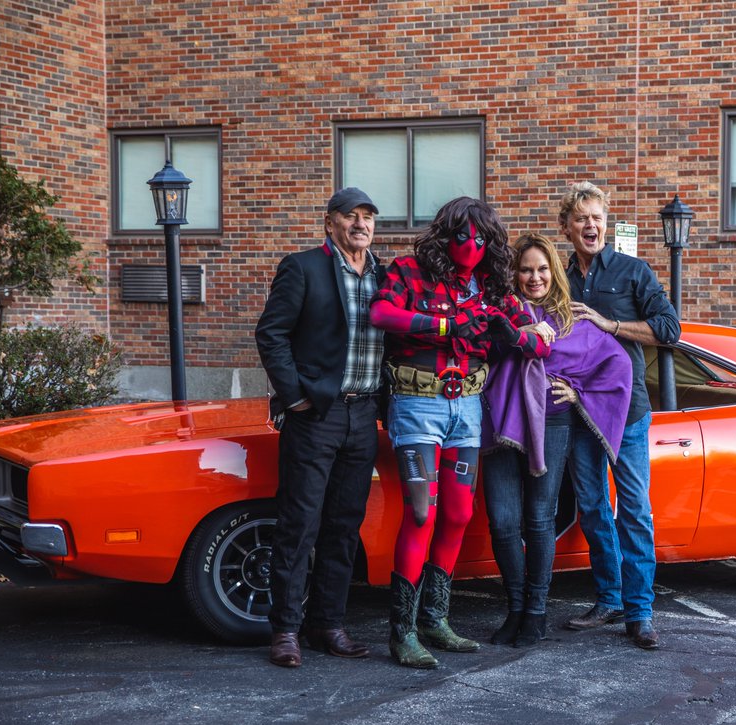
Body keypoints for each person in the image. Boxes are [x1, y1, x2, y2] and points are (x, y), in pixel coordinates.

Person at [370, 196, 550, 669]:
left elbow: (536, 343)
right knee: (422, 512)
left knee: (457, 513)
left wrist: (507, 332)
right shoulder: (410, 270)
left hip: (467, 407)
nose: (471, 245)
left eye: (482, 238)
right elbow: (382, 314)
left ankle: (435, 619)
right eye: (463, 235)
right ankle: (402, 632)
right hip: (418, 404)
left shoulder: (492, 287)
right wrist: (447, 323)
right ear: (445, 233)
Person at [254, 187, 386, 668]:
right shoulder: (303, 266)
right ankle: (285, 630)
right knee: (299, 524)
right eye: (350, 216)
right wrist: (295, 396)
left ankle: (328, 624)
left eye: (368, 217)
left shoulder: (385, 277)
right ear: (330, 223)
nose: (360, 224)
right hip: (317, 416)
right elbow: (271, 333)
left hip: (363, 415)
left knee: (344, 526)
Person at [480, 233, 632, 648]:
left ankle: (536, 611)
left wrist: (578, 392)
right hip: (498, 424)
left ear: (554, 272)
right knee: (504, 521)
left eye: (542, 268)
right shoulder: (500, 314)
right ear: (515, 273)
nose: (534, 277)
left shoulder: (574, 320)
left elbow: (616, 365)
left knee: (538, 519)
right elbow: (478, 354)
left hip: (553, 424)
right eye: (526, 269)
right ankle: (515, 607)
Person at [557, 181, 680, 650]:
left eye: (597, 217)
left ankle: (640, 612)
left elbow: (670, 329)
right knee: (591, 508)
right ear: (566, 226)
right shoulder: (559, 277)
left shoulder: (632, 272)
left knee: (634, 511)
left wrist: (609, 324)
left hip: (628, 413)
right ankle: (608, 599)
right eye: (581, 218)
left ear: (606, 223)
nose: (591, 225)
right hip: (578, 411)